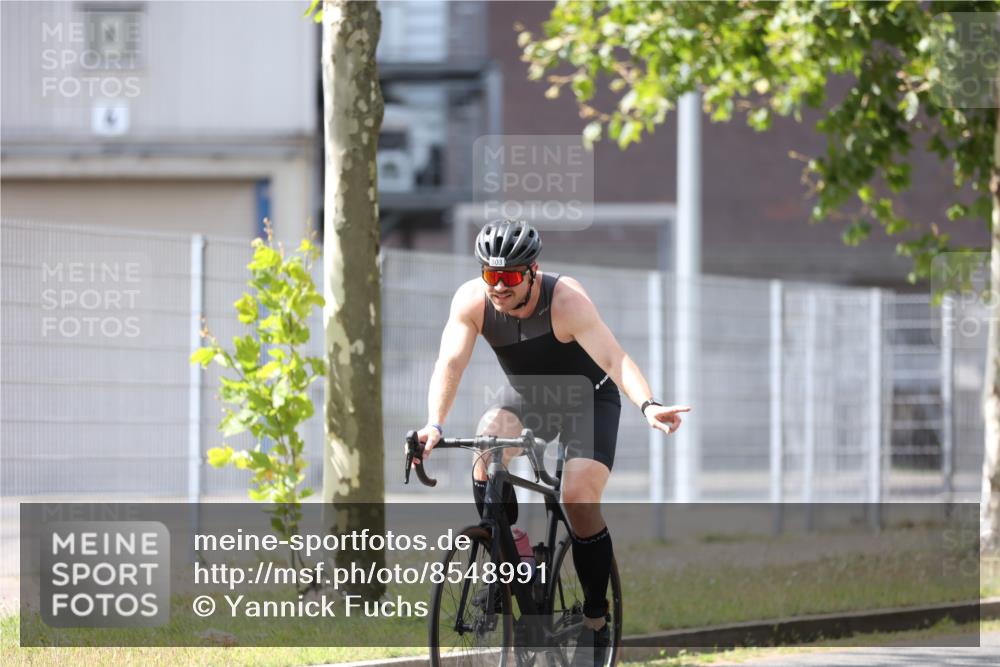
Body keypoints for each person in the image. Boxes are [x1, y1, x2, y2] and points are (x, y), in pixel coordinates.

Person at [414, 219, 690, 666]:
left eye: (508, 277)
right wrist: (434, 424)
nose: (498, 287)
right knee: (488, 440)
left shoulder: (566, 300)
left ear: (532, 272)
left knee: (578, 497)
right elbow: (450, 362)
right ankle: (508, 552)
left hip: (589, 399)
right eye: (490, 275)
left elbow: (613, 357)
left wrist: (648, 405)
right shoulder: (472, 301)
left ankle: (596, 621)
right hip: (532, 398)